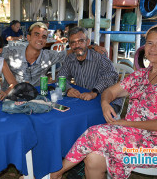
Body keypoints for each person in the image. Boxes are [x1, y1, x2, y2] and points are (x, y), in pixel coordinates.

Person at [51, 25, 157, 179]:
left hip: (149, 152)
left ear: (87, 41)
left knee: (94, 133)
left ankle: (56, 173)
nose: (153, 48)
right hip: (130, 136)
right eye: (150, 43)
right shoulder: (140, 75)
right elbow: (110, 92)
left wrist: (126, 123)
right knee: (93, 157)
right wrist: (105, 103)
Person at [6, 22, 107, 87]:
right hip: (11, 97)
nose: (40, 39)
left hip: (35, 96)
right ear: (28, 37)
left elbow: (73, 49)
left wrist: (92, 47)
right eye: (36, 35)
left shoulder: (48, 56)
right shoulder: (11, 53)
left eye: (44, 36)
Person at [58, 26, 122, 112]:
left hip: (108, 100)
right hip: (85, 98)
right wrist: (68, 89)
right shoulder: (70, 59)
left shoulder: (98, 57)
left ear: (88, 42)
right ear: (69, 45)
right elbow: (61, 77)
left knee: (80, 115)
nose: (77, 46)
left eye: (81, 41)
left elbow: (110, 77)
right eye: (73, 43)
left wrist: (94, 92)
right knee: (65, 112)